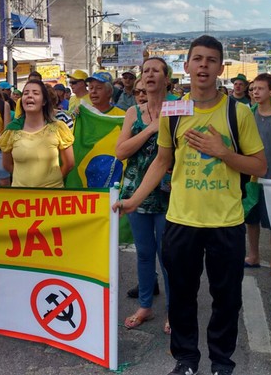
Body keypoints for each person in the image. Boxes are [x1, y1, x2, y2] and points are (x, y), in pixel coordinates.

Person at [115, 35, 266, 375]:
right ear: (186, 67)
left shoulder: (237, 112)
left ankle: (222, 362)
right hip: (181, 220)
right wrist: (135, 199)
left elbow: (259, 166)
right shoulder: (174, 110)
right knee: (181, 297)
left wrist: (223, 152)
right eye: (197, 59)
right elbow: (161, 161)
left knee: (226, 299)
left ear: (220, 68)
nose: (203, 65)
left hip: (226, 222)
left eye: (211, 60)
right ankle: (186, 361)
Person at [116, 57, 175, 333]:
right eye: (145, 71)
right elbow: (121, 151)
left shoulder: (179, 108)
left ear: (166, 78)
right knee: (143, 254)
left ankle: (173, 312)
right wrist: (151, 128)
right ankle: (145, 306)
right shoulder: (133, 113)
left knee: (168, 255)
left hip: (168, 193)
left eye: (155, 71)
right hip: (135, 191)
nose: (149, 75)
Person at [0, 80, 74, 187]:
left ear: (44, 101)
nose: (29, 96)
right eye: (26, 93)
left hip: (51, 198)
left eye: (35, 93)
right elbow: (7, 165)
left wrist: (52, 182)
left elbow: (69, 164)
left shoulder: (58, 128)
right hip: (22, 198)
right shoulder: (11, 130)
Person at [243, 73, 271, 279]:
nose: (255, 92)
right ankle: (253, 255)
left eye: (260, 88)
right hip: (251, 178)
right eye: (253, 89)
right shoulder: (248, 114)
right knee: (251, 219)